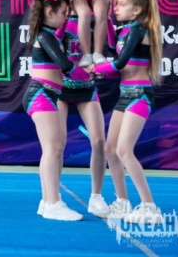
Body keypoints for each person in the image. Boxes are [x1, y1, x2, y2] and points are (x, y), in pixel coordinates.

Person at [88, 0, 164, 224]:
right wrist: (104, 17)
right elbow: (113, 48)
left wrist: (95, 67)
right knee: (110, 149)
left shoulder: (139, 30)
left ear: (137, 10)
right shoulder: (125, 31)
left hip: (140, 95)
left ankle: (150, 206)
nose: (116, 8)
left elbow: (119, 63)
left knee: (123, 150)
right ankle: (122, 202)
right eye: (116, 4)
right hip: (125, 95)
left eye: (122, 5)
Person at [26, 0, 83, 221]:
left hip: (49, 95)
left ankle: (47, 200)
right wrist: (91, 72)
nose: (66, 17)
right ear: (49, 13)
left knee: (55, 147)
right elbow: (65, 65)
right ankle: (53, 202)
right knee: (53, 148)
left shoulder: (51, 34)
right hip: (40, 94)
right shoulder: (44, 36)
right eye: (63, 13)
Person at [57, 15, 110, 218]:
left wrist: (102, 68)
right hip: (60, 87)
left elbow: (109, 52)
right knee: (57, 144)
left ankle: (96, 197)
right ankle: (53, 197)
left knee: (99, 141)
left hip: (87, 88)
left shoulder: (98, 22)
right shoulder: (61, 22)